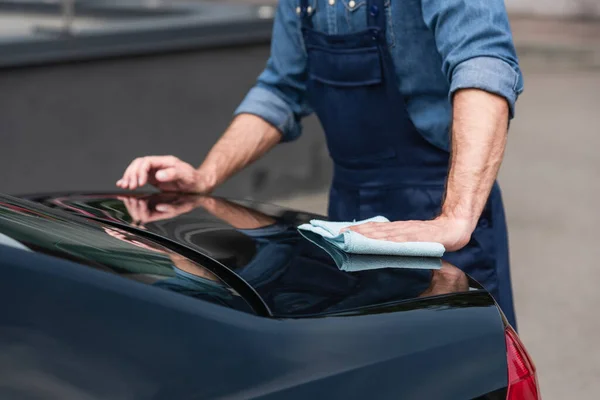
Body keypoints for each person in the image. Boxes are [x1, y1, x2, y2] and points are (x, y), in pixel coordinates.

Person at [116, 0, 523, 328]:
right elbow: (280, 88)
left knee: (455, 372)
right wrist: (206, 175)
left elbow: (483, 62)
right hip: (349, 221)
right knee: (369, 367)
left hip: (441, 209)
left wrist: (455, 218)